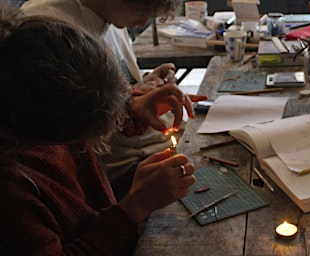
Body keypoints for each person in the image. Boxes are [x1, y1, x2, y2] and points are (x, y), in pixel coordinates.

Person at [0, 12, 196, 255]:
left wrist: (131, 104)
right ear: (52, 135)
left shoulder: (23, 82)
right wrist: (135, 206)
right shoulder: (12, 197)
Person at [21, 0, 208, 199]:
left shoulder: (111, 16)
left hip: (145, 149)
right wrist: (130, 103)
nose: (144, 20)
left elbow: (112, 88)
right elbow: (69, 125)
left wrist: (145, 84)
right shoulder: (50, 29)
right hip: (117, 174)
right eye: (142, 8)